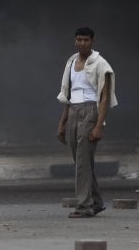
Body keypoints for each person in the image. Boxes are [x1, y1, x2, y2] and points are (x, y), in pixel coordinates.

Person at [56, 26, 118, 218]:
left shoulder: (100, 64)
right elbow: (68, 95)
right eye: (79, 40)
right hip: (73, 110)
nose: (82, 43)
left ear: (93, 41)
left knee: (83, 162)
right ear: (75, 41)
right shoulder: (71, 62)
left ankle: (84, 207)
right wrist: (62, 122)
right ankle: (96, 202)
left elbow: (105, 97)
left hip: (90, 111)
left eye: (86, 40)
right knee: (81, 162)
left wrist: (99, 125)